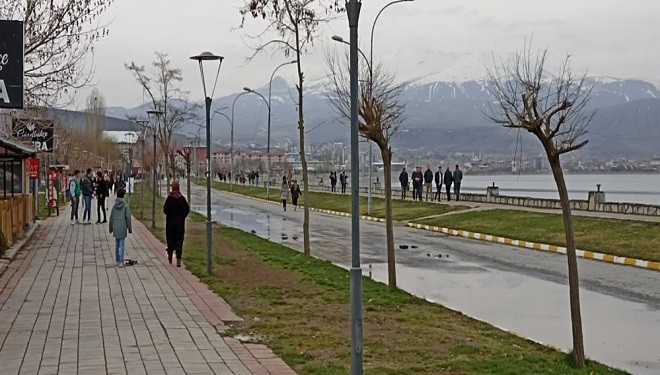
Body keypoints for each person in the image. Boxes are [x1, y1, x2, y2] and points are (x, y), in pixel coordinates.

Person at [163, 180, 190, 267]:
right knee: (179, 240)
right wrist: (182, 217)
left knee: (170, 239)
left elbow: (165, 210)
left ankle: (170, 256)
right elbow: (186, 210)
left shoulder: (169, 199)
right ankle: (178, 258)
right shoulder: (182, 199)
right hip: (180, 224)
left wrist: (170, 215)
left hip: (170, 224)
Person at [109, 188, 132, 267]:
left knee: (117, 244)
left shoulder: (114, 206)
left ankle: (117, 260)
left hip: (116, 226)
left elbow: (111, 217)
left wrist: (110, 227)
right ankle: (121, 261)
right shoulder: (125, 206)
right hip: (122, 226)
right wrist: (129, 228)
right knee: (122, 244)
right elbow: (128, 217)